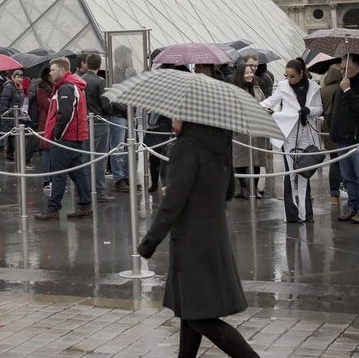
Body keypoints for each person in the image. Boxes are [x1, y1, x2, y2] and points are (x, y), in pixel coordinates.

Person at [137, 119, 259, 358]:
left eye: (177, 115)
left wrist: (149, 242)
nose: (173, 120)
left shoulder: (186, 146)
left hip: (191, 242)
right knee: (191, 311)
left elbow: (173, 204)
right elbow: (228, 190)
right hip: (213, 236)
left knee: (200, 317)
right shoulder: (220, 141)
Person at [260, 58, 323, 224]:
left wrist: (309, 110)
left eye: (292, 76)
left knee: (304, 173)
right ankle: (292, 214)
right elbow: (271, 101)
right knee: (289, 173)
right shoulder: (282, 86)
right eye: (286, 75)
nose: (289, 79)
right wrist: (257, 106)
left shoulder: (314, 87)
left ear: (301, 73)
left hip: (306, 133)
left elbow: (320, 109)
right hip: (288, 134)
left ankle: (306, 213)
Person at [34, 58, 93, 221]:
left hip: (66, 138)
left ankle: (53, 208)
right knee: (78, 172)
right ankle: (86, 205)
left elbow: (66, 114)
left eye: (53, 70)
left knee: (58, 174)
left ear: (62, 70)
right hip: (74, 137)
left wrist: (57, 135)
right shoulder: (73, 86)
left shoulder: (65, 88)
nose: (50, 73)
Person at [328, 54, 359, 224]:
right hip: (342, 137)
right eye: (341, 68)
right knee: (347, 176)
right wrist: (333, 131)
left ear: (357, 68)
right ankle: (353, 205)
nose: (342, 70)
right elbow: (335, 112)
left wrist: (348, 91)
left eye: (345, 68)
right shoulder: (340, 87)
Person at [230, 58, 269, 199]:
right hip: (240, 130)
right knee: (240, 160)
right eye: (247, 72)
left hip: (256, 129)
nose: (250, 75)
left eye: (251, 72)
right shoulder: (234, 90)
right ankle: (244, 188)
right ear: (240, 74)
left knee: (256, 160)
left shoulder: (257, 88)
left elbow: (264, 103)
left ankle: (254, 188)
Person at [80, 54, 115, 202]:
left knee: (85, 157)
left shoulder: (80, 80)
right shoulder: (100, 81)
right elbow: (106, 104)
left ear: (86, 64)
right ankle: (99, 192)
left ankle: (84, 190)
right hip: (100, 122)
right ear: (99, 66)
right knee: (100, 158)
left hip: (85, 122)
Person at [317, 64, 344, 205]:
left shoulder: (323, 90)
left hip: (327, 127)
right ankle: (347, 187)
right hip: (342, 126)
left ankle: (334, 194)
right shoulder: (343, 87)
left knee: (334, 160)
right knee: (345, 159)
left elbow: (320, 110)